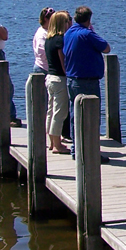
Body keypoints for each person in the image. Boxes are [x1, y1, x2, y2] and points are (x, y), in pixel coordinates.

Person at [62, 5, 110, 153]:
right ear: (89, 19)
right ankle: (91, 152)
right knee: (91, 117)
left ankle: (76, 149)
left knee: (75, 116)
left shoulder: (68, 33)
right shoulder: (87, 34)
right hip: (87, 81)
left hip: (72, 80)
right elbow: (106, 48)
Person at [43, 11, 71, 154]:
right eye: (66, 21)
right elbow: (62, 60)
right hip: (59, 79)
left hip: (50, 77)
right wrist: (68, 74)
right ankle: (57, 145)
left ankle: (52, 142)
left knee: (51, 111)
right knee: (60, 113)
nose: (68, 24)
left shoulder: (48, 39)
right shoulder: (60, 39)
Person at [32, 7, 55, 73]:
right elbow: (41, 53)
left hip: (49, 68)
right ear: (45, 19)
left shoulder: (50, 31)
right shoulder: (41, 34)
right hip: (42, 69)